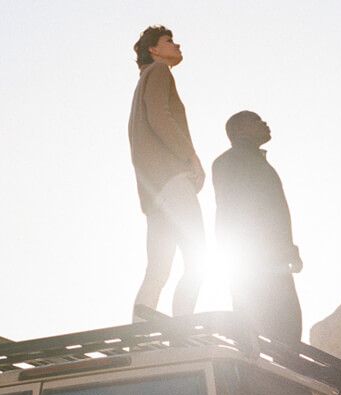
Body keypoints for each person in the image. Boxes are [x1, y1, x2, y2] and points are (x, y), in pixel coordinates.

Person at [127, 25, 207, 321]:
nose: (177, 44)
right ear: (154, 50)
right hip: (173, 181)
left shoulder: (140, 85)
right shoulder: (159, 72)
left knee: (158, 269)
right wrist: (191, 157)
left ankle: (138, 333)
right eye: (169, 41)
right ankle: (183, 328)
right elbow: (160, 116)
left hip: (153, 191)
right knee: (197, 258)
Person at [212, 110, 303, 341]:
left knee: (284, 332)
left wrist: (290, 249)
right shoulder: (229, 162)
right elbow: (235, 212)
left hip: (269, 261)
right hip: (256, 262)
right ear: (240, 129)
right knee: (271, 331)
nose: (265, 123)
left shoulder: (253, 162)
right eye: (257, 120)